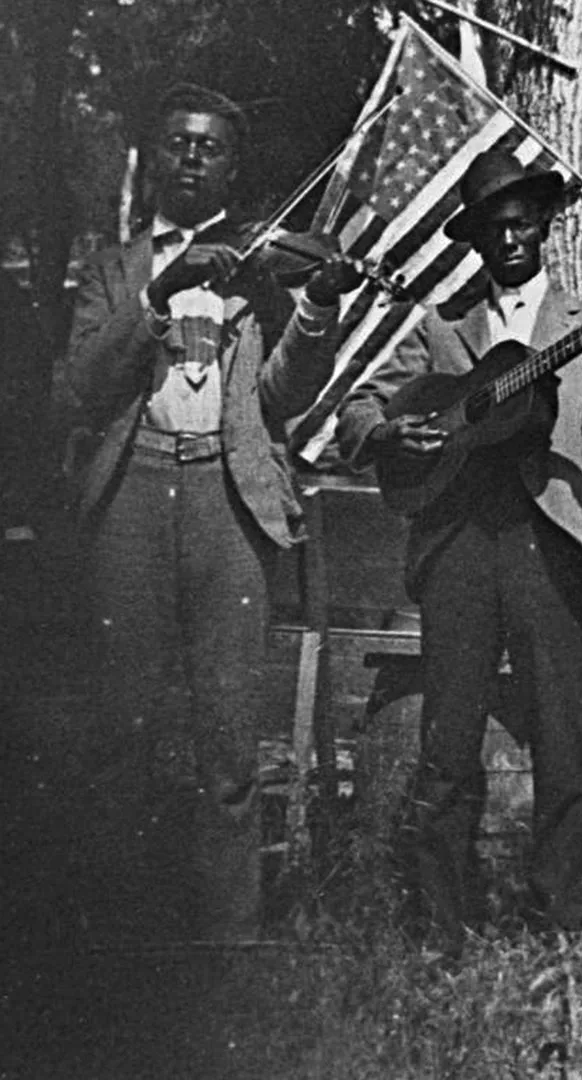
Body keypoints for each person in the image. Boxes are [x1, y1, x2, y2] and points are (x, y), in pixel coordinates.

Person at [55, 83, 363, 941]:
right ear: (155, 157)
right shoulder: (115, 266)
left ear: (233, 166)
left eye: (211, 147)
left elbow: (283, 400)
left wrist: (317, 306)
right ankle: (118, 934)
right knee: (123, 725)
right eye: (178, 143)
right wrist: (159, 298)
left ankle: (232, 940)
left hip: (227, 499)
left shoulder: (259, 266)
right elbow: (77, 388)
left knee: (229, 733)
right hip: (131, 494)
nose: (192, 158)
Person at [335, 150, 582, 944]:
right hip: (458, 544)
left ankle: (561, 924)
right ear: (474, 238)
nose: (509, 238)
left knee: (561, 738)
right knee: (449, 740)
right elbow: (359, 405)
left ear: (544, 225)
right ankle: (441, 921)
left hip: (549, 547)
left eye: (521, 222)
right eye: (491, 228)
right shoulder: (443, 322)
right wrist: (386, 432)